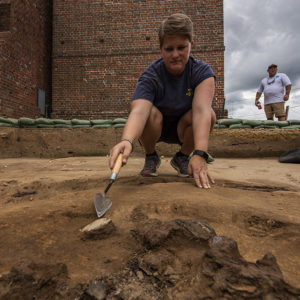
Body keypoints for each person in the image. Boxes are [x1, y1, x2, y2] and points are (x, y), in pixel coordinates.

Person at [109, 13, 216, 189]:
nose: (175, 54)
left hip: (184, 128)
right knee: (150, 113)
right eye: (169, 49)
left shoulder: (201, 72)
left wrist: (200, 153)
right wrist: (127, 140)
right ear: (161, 48)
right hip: (155, 128)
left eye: (181, 47)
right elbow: (139, 111)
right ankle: (151, 156)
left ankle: (182, 157)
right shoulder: (151, 76)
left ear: (191, 45)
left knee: (210, 115)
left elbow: (201, 111)